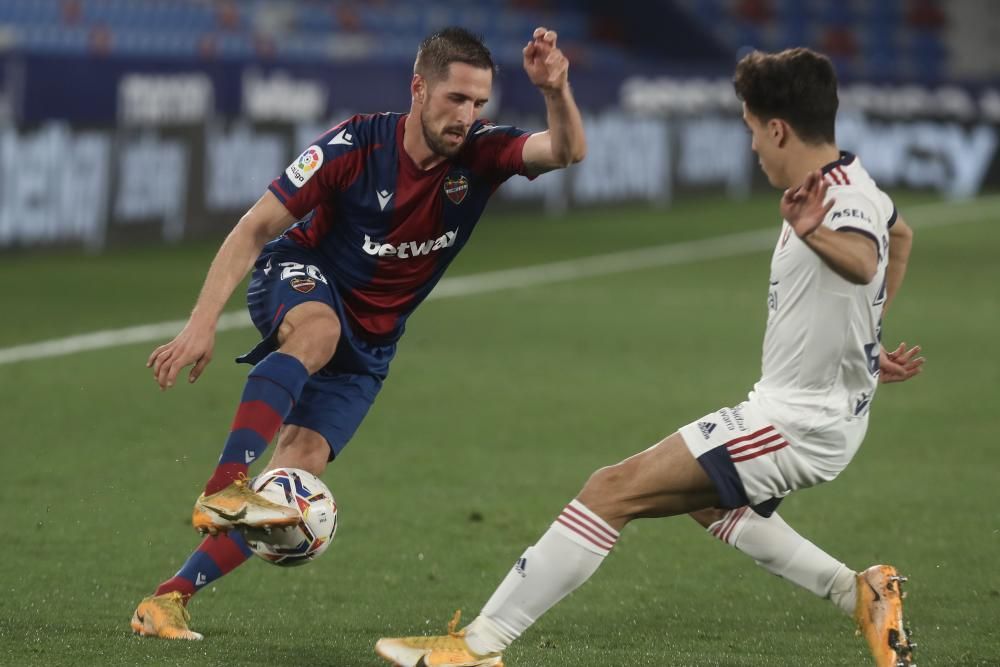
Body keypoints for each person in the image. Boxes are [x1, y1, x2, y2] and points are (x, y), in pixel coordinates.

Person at [374, 48, 924, 667]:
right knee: (705, 500)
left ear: (778, 129)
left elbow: (865, 260)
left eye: (751, 132)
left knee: (611, 490)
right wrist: (868, 340)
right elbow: (899, 235)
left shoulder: (833, 201)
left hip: (796, 425)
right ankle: (860, 593)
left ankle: (477, 648)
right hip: (808, 411)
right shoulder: (859, 182)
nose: (752, 149)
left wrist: (813, 235)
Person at [129, 26, 586, 641]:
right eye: (456, 99)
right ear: (419, 88)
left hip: (371, 345)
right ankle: (222, 485)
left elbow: (565, 151)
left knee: (295, 480)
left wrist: (556, 89)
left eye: (479, 103)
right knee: (316, 331)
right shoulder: (354, 145)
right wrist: (201, 324)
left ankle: (168, 600)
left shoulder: (479, 155)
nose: (467, 117)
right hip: (301, 277)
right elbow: (253, 228)